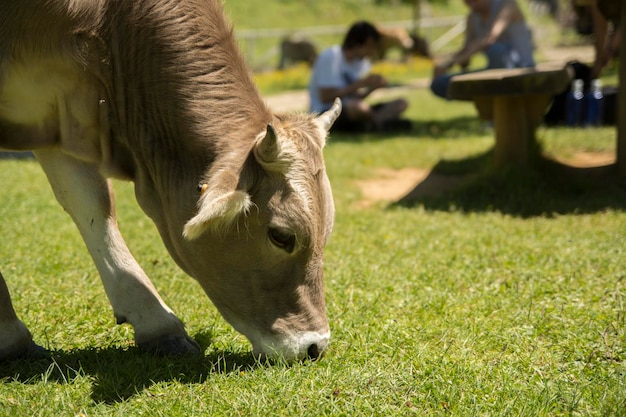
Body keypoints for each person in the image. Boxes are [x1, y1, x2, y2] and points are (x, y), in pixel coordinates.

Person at [308, 21, 410, 133]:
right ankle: (379, 123)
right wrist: (360, 84)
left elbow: (355, 97)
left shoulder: (360, 63)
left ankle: (372, 123)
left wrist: (373, 88)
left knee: (402, 103)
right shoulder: (331, 57)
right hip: (327, 111)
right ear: (357, 43)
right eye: (370, 47)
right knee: (359, 108)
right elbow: (326, 97)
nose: (371, 52)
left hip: (352, 108)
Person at [430, 0, 535, 99]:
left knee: (497, 50)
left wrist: (466, 54)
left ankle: (496, 100)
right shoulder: (472, 18)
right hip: (493, 73)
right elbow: (465, 56)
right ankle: (491, 102)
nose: (471, 4)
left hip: (522, 68)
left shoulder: (507, 5)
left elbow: (490, 38)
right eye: (467, 1)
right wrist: (446, 64)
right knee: (440, 83)